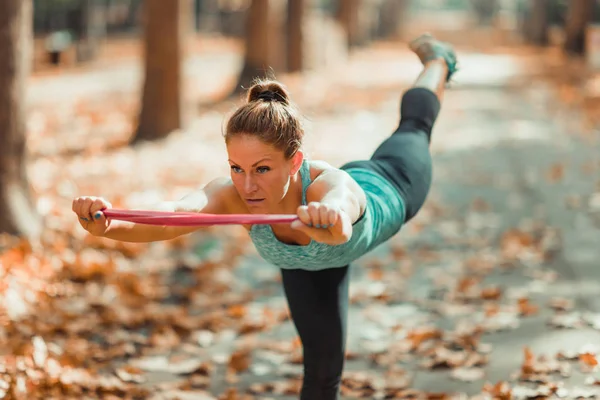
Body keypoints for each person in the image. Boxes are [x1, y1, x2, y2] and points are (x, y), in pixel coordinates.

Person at [72, 33, 458, 400]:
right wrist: (108, 225)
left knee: (414, 126)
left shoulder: (328, 185)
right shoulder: (231, 195)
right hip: (306, 265)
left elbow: (342, 218)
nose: (248, 185)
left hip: (390, 183)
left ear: (295, 162)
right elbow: (174, 215)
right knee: (322, 369)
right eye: (237, 168)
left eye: (262, 169)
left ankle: (439, 60)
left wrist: (330, 216)